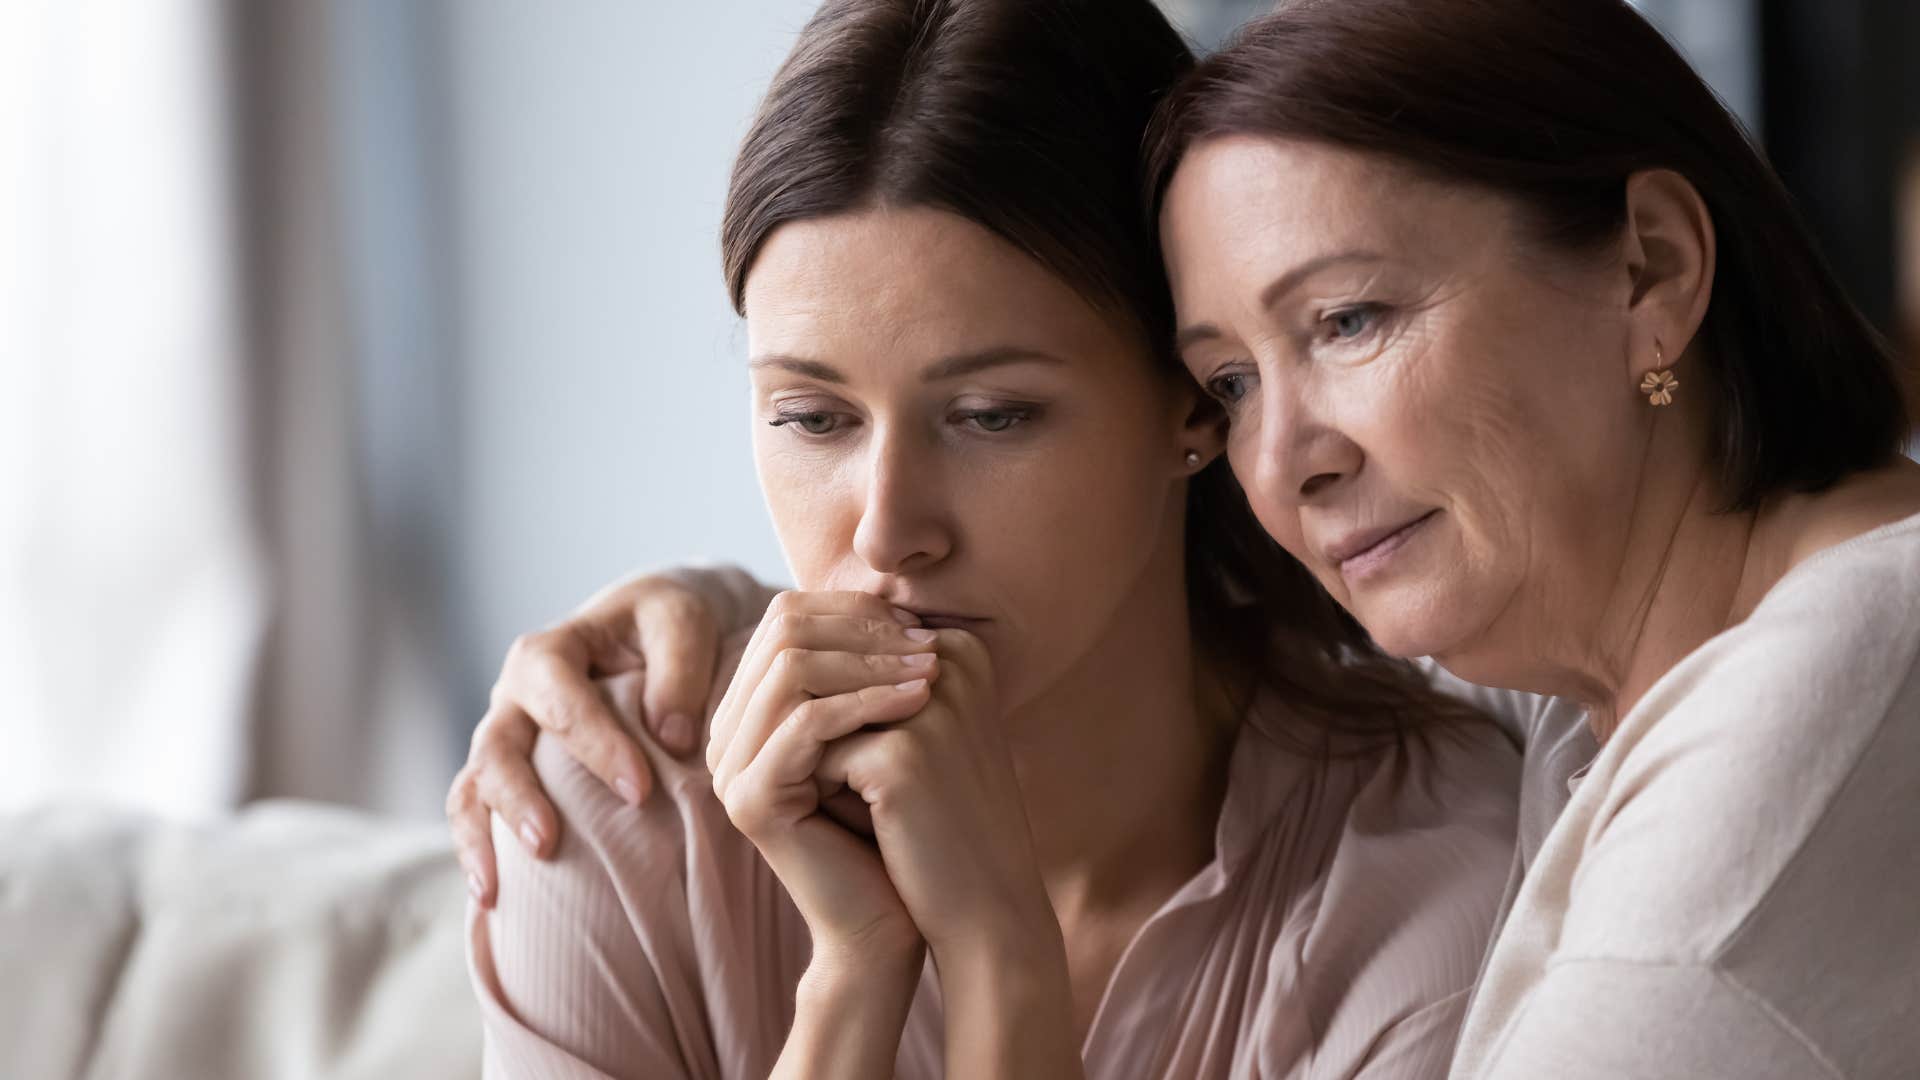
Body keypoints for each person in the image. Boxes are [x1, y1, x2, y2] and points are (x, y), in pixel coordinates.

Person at [460, 0, 1920, 1077]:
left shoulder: (1747, 784)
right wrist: (703, 620)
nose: (1283, 454)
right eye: (1235, 375)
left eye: (1349, 320)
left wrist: (997, 987)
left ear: (1654, 268)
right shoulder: (1589, 665)